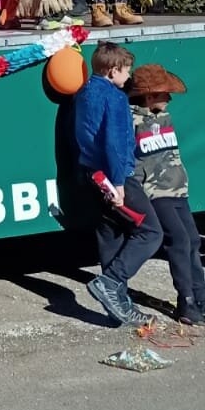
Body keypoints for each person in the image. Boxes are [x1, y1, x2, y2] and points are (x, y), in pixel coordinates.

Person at [75, 42, 161, 325]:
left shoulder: (84, 92)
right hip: (115, 176)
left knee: (110, 234)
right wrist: (119, 183)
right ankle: (110, 282)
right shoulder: (114, 97)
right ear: (113, 71)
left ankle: (120, 308)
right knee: (151, 232)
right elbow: (113, 142)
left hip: (91, 175)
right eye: (126, 71)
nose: (129, 76)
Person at [127, 64, 204, 325]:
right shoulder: (131, 121)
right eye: (164, 93)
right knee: (178, 240)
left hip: (178, 190)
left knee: (192, 240)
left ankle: (201, 296)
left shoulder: (165, 117)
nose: (169, 98)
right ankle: (186, 301)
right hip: (155, 193)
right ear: (149, 96)